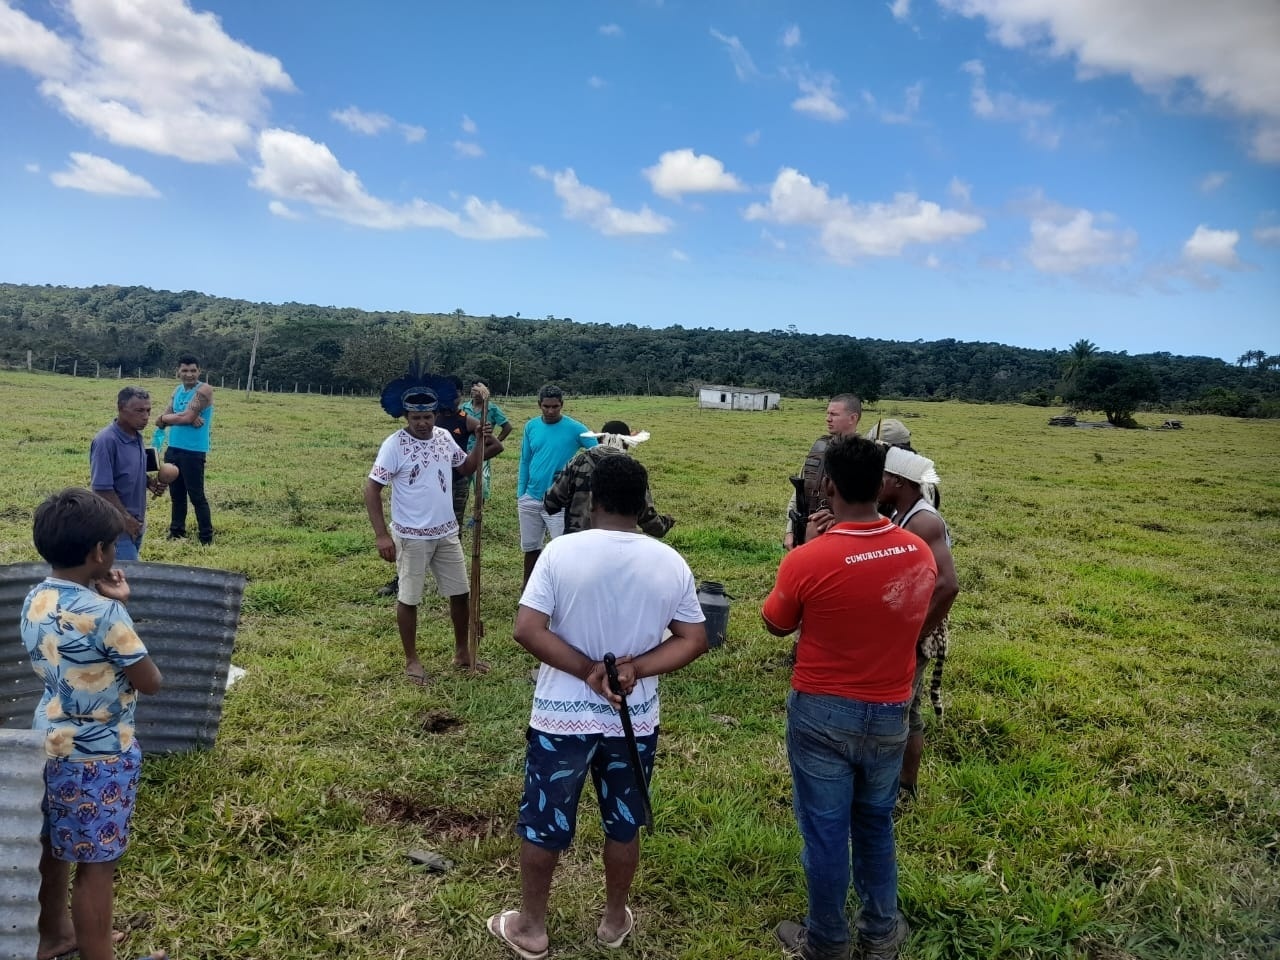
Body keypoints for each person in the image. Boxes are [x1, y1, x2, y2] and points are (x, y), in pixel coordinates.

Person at [489, 454, 708, 959]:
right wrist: (637, 669)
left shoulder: (561, 553)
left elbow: (527, 629)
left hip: (560, 719)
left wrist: (588, 670)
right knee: (623, 821)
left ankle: (532, 928)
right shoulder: (668, 561)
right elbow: (693, 639)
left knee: (545, 821)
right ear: (643, 503)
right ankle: (613, 921)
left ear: (593, 500)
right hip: (633, 719)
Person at [762, 436, 949, 960]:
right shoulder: (916, 549)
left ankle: (826, 942)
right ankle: (882, 933)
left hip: (822, 711)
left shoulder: (811, 558)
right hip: (891, 710)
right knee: (874, 823)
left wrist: (803, 548)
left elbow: (776, 624)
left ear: (828, 486)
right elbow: (932, 596)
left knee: (824, 833)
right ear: (882, 485)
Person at [21, 488, 166, 960]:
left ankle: (55, 934)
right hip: (100, 755)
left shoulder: (35, 597)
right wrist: (120, 605)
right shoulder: (106, 614)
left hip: (48, 739)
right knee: (97, 864)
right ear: (99, 553)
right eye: (114, 545)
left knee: (54, 847)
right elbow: (150, 681)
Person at [364, 380, 501, 683]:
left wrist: (479, 440)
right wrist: (382, 535)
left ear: (436, 415)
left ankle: (462, 653)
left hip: (447, 531)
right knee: (409, 598)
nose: (423, 423)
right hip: (411, 536)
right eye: (416, 418)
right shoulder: (394, 445)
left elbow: (465, 469)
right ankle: (412, 660)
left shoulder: (442, 437)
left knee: (461, 593)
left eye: (428, 417)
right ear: (407, 418)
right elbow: (372, 489)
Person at [877, 447, 959, 804]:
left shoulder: (923, 521)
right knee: (908, 710)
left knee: (896, 712)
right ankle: (905, 787)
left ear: (897, 481)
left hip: (916, 631)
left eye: (881, 477)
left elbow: (948, 584)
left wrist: (915, 633)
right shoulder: (902, 512)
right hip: (908, 627)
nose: (875, 484)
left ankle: (895, 790)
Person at [517, 384, 597, 585]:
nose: (550, 411)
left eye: (555, 407)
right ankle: (528, 591)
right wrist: (521, 493)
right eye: (546, 406)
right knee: (531, 548)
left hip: (559, 499)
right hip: (530, 498)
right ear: (539, 405)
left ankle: (562, 590)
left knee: (563, 550)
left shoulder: (575, 428)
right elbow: (525, 460)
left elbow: (597, 452)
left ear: (562, 405)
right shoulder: (531, 426)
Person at [543, 420, 674, 537]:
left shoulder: (578, 462)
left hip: (577, 542)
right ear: (627, 443)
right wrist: (667, 522)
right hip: (618, 545)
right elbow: (648, 519)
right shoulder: (632, 469)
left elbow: (551, 503)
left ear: (600, 439)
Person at [89, 386, 166, 561]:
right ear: (121, 409)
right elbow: (101, 489)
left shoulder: (136, 436)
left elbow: (129, 471)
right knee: (126, 580)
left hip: (135, 523)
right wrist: (125, 520)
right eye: (139, 411)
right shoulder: (106, 441)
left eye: (148, 410)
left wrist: (148, 482)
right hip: (115, 527)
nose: (146, 416)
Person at [783, 394, 862, 551]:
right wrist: (790, 530)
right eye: (827, 413)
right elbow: (799, 493)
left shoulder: (864, 455)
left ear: (852, 418)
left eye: (834, 414)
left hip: (844, 541)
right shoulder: (818, 448)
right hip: (806, 534)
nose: (828, 418)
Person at [155, 354, 215, 545]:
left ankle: (206, 537)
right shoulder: (177, 390)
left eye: (193, 370)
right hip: (173, 449)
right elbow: (163, 418)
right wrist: (182, 416)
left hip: (193, 451)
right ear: (178, 372)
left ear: (199, 371)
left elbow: (167, 418)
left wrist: (175, 418)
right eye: (185, 370)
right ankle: (176, 532)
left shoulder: (204, 390)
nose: (189, 374)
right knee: (176, 495)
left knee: (196, 495)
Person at [461, 379, 512, 513]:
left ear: (485, 391)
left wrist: (494, 442)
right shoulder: (464, 408)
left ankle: (478, 512)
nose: (475, 393)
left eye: (478, 390)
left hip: (482, 453)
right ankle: (461, 508)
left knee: (481, 485)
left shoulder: (492, 408)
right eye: (473, 389)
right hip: (464, 453)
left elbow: (507, 427)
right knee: (462, 484)